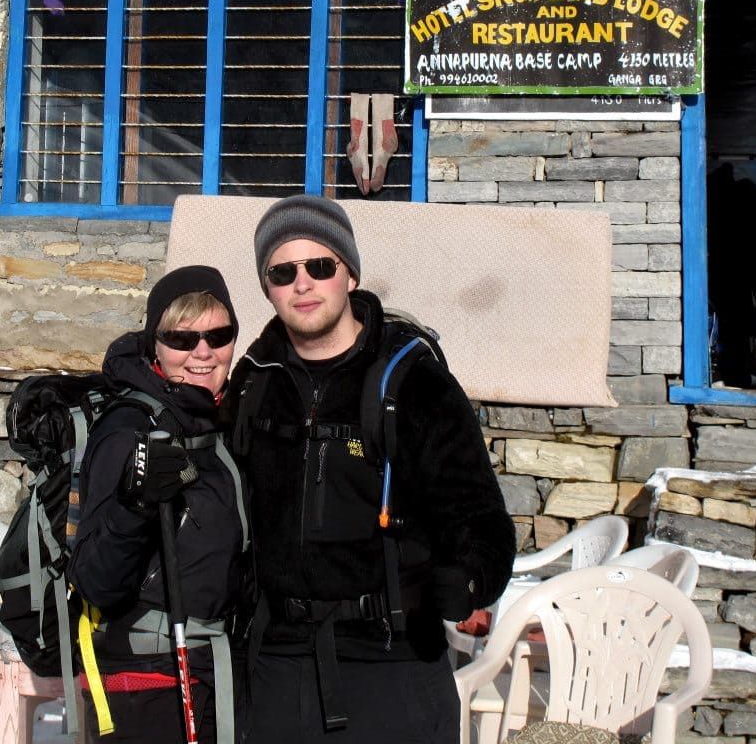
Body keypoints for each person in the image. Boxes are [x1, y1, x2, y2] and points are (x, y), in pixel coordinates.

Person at [228, 194, 515, 744]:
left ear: (350, 275)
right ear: (267, 288)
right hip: (278, 661)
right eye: (283, 272)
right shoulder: (254, 380)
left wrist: (471, 575)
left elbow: (476, 510)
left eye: (320, 266)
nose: (303, 284)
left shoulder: (412, 381)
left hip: (395, 659)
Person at [68, 265, 249, 744]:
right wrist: (135, 504)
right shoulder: (128, 427)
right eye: (181, 338)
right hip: (149, 678)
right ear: (154, 346)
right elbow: (94, 581)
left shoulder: (213, 421)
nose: (203, 352)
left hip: (213, 668)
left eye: (218, 334)